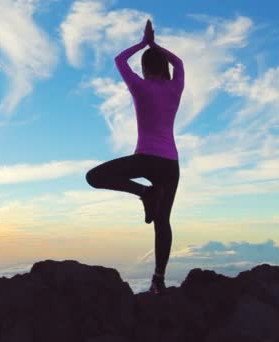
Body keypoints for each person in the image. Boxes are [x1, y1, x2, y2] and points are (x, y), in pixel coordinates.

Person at [85, 19, 184, 295]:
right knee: (163, 222)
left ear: (145, 68)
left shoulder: (140, 87)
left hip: (145, 158)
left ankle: (143, 192)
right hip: (170, 164)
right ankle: (159, 280)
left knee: (94, 176)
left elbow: (119, 60)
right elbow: (180, 64)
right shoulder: (175, 88)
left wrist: (144, 42)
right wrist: (157, 46)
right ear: (164, 66)